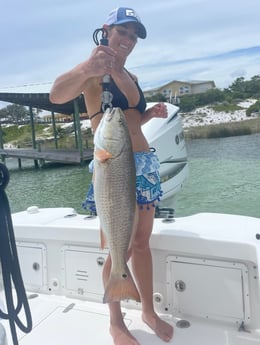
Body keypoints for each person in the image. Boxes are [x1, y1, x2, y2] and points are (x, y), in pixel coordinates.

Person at [50, 7, 173, 345]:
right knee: (120, 246)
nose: (129, 40)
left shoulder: (128, 74)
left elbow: (131, 109)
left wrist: (149, 114)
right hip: (111, 165)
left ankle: (148, 310)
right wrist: (88, 67)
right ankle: (116, 322)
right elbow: (57, 93)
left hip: (144, 161)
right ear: (106, 30)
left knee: (142, 243)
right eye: (123, 32)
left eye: (134, 36)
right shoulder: (92, 71)